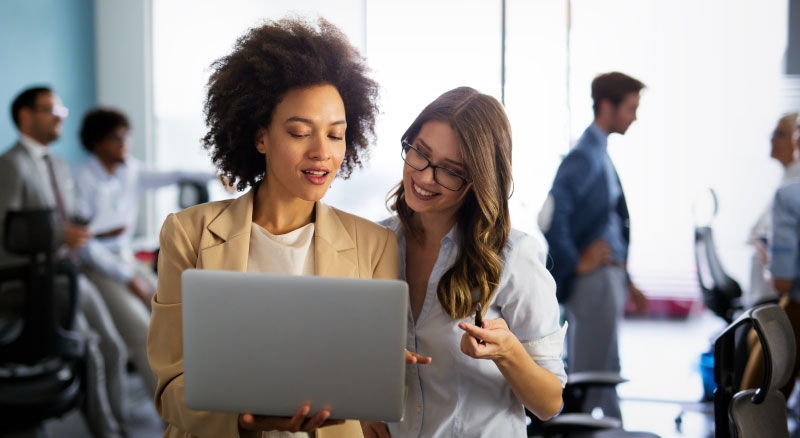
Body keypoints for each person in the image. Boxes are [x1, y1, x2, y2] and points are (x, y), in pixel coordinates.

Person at [146, 18, 420, 438]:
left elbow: (374, 401)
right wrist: (243, 422)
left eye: (335, 135)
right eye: (299, 132)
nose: (321, 153)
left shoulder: (375, 244)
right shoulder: (189, 233)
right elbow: (169, 387)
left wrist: (380, 370)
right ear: (260, 137)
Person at [361, 87, 566, 438]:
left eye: (450, 171)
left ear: (477, 182)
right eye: (419, 153)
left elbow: (549, 404)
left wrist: (509, 353)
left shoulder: (515, 257)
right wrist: (365, 409)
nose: (425, 176)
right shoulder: (373, 244)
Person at [0, 86, 129, 437]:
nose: (59, 115)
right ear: (25, 116)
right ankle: (108, 433)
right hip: (38, 282)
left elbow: (68, 218)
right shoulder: (9, 166)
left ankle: (121, 423)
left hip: (70, 274)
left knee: (113, 347)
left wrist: (93, 228)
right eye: (50, 109)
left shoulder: (59, 165)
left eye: (61, 109)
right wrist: (60, 235)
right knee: (91, 353)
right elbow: (6, 233)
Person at [75, 107, 216, 397]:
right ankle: (174, 417)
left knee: (177, 311)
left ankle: (200, 397)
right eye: (117, 138)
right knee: (142, 332)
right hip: (97, 268)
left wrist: (216, 175)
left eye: (127, 137)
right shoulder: (82, 179)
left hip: (124, 260)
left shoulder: (131, 170)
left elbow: (176, 175)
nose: (125, 143)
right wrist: (129, 278)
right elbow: (85, 244)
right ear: (98, 142)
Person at [539, 71, 648, 421]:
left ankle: (614, 428)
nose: (634, 116)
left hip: (608, 278)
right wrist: (575, 263)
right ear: (607, 105)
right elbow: (554, 216)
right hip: (593, 281)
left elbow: (609, 223)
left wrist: (627, 280)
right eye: (630, 107)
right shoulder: (585, 155)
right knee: (588, 372)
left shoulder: (599, 152)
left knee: (606, 367)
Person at [740, 179, 800, 396]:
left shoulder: (789, 196)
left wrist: (767, 262)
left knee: (752, 402)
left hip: (797, 308)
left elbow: (781, 282)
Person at [746, 113, 800, 307]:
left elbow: (782, 282)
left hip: (778, 298)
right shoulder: (787, 182)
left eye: (780, 134)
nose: (772, 139)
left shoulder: (790, 193)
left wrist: (772, 263)